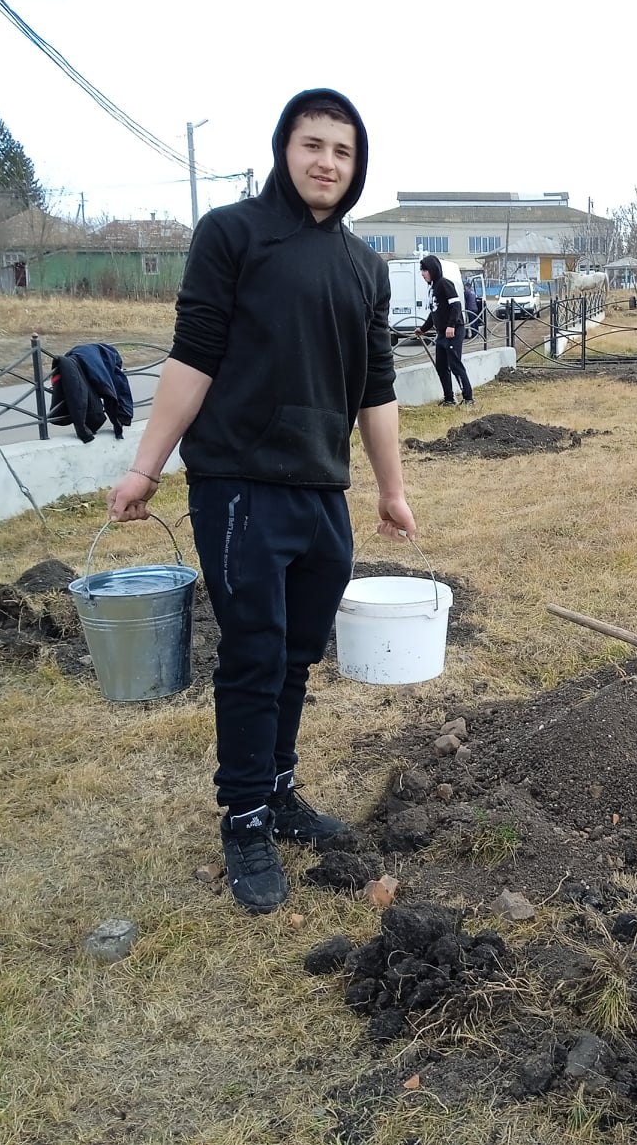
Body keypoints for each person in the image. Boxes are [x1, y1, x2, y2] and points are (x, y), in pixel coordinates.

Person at [106, 88, 416, 916]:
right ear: (285, 149)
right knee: (253, 650)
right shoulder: (234, 234)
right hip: (239, 483)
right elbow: (194, 355)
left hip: (323, 490)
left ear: (358, 166)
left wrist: (391, 489)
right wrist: (146, 467)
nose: (327, 162)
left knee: (297, 653)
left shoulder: (364, 267)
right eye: (313, 144)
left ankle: (278, 791)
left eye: (344, 152)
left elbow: (376, 388)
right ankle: (242, 816)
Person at [417, 254, 473, 407]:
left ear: (433, 270)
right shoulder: (433, 288)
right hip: (441, 333)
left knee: (455, 365)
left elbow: (456, 306)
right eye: (422, 270)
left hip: (453, 331)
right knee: (441, 367)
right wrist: (422, 329)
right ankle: (449, 398)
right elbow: (434, 312)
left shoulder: (444, 284)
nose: (423, 273)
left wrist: (451, 325)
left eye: (425, 270)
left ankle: (468, 398)